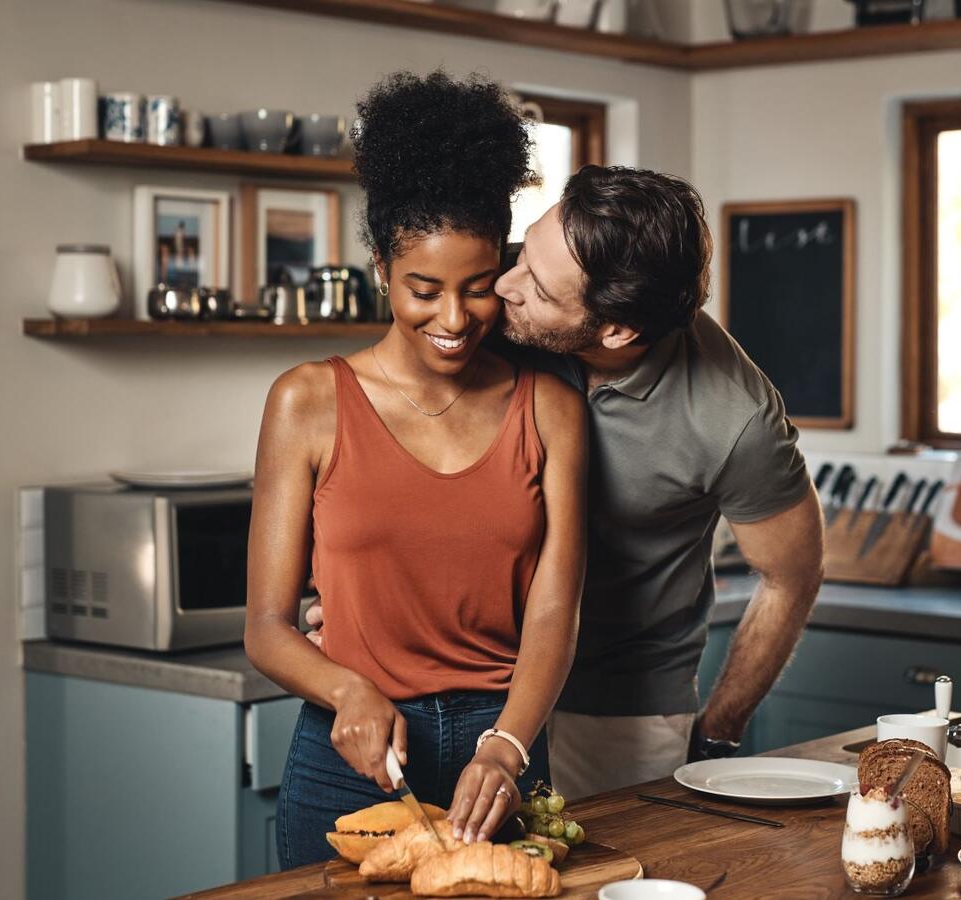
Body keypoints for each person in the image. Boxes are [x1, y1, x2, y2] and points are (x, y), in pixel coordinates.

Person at [311, 165, 824, 799]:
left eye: (539, 288)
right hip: (468, 688)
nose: (504, 284)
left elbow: (791, 574)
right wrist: (347, 593)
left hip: (618, 706)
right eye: (524, 252)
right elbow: (394, 443)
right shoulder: (493, 296)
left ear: (614, 330)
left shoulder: (733, 418)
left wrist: (716, 734)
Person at [245, 71, 587, 870]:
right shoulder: (307, 402)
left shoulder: (549, 408)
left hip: (500, 753)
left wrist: (506, 744)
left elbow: (553, 612)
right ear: (378, 266)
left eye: (476, 290)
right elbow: (264, 626)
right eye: (423, 290)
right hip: (348, 753)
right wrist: (346, 689)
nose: (454, 319)